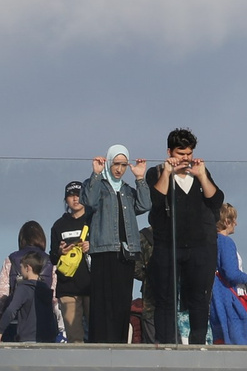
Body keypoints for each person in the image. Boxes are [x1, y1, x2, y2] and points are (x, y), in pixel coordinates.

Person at [141, 129, 223, 346]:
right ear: (169, 152)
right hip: (168, 246)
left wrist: (202, 176)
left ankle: (198, 344)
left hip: (200, 247)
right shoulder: (156, 173)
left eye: (189, 153)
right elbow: (155, 201)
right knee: (165, 298)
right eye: (180, 153)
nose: (185, 158)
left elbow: (216, 201)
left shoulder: (199, 172)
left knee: (199, 299)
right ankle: (165, 343)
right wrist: (167, 173)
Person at [78, 146, 148, 344]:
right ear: (109, 162)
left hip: (126, 252)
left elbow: (144, 205)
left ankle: (118, 343)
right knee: (102, 301)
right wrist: (96, 173)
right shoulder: (98, 186)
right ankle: (100, 343)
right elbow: (89, 201)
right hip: (103, 249)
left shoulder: (127, 190)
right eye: (116, 164)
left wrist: (140, 178)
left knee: (122, 301)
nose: (119, 169)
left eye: (123, 165)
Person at [0, 221, 57, 344]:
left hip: (15, 323)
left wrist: (1, 319)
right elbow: (55, 296)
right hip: (43, 324)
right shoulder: (51, 261)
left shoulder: (11, 259)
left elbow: (2, 294)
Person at [211, 204, 247, 345]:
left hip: (215, 294)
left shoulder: (211, 240)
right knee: (244, 337)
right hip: (226, 295)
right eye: (234, 220)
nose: (236, 223)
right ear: (227, 221)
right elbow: (231, 272)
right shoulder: (226, 242)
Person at [49, 182, 91, 343]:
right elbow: (52, 258)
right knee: (75, 338)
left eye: (79, 195)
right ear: (65, 199)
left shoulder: (94, 220)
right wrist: (60, 252)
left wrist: (91, 246)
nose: (75, 199)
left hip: (92, 285)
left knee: (97, 335)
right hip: (67, 286)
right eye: (71, 195)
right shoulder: (59, 225)